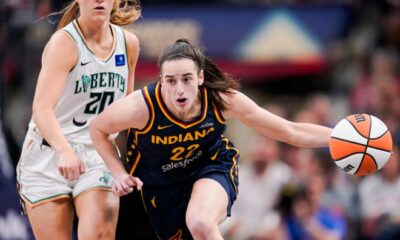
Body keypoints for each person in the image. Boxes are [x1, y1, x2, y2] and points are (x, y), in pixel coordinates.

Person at [89, 38, 332, 240]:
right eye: (171, 82)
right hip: (162, 186)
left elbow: (290, 131)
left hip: (210, 166)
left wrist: (340, 137)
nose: (179, 90)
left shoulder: (221, 99)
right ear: (161, 81)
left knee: (201, 222)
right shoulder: (140, 107)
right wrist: (118, 172)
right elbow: (97, 130)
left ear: (201, 78)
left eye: (187, 79)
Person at [16, 0, 141, 239]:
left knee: (100, 233)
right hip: (49, 154)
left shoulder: (128, 44)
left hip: (97, 152)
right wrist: (65, 150)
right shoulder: (63, 43)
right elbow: (41, 109)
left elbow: (126, 110)